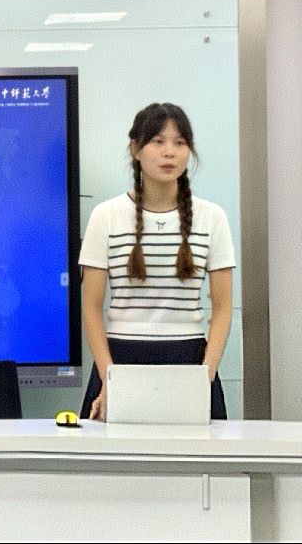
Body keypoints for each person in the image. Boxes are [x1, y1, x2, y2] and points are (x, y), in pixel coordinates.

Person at [79, 102, 235, 421]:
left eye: (180, 142)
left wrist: (205, 375)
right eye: (158, 141)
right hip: (120, 359)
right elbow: (91, 308)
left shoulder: (212, 217)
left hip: (189, 358)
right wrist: (109, 379)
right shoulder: (106, 216)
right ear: (135, 149)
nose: (169, 152)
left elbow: (222, 308)